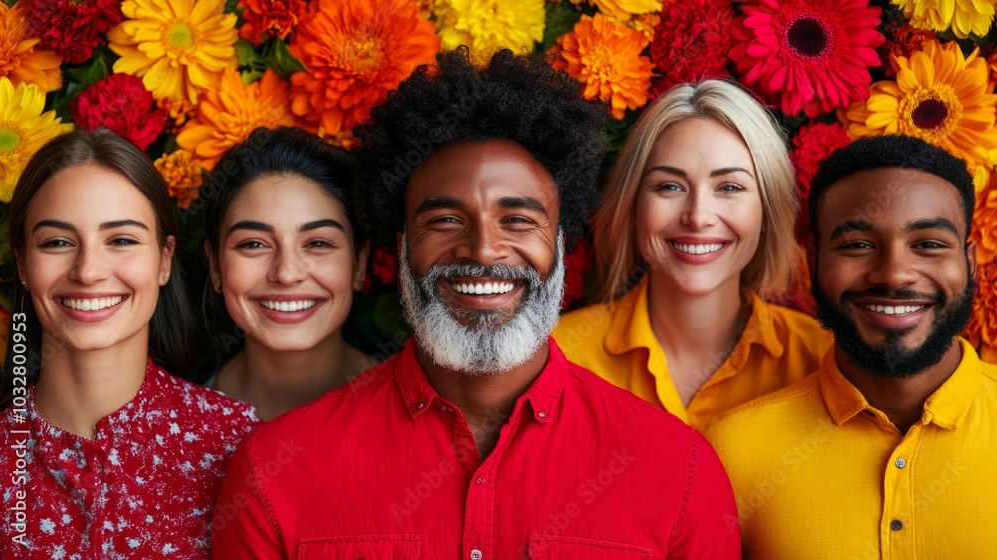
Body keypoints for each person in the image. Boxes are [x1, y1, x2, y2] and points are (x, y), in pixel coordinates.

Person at [212, 48, 740, 558]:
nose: (483, 250)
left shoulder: (679, 469)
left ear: (559, 244)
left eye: (518, 220)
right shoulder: (274, 469)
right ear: (400, 247)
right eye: (445, 220)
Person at [705, 135, 995, 558]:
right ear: (814, 263)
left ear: (968, 263)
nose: (894, 274)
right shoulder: (731, 453)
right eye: (858, 245)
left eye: (928, 244)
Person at [0, 129, 259, 559]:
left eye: (120, 240)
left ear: (164, 259)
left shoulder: (238, 443)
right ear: (24, 262)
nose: (88, 271)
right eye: (58, 242)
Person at [553, 80, 831, 430]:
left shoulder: (824, 359)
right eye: (670, 186)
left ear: (767, 212)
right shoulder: (556, 355)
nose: (698, 217)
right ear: (633, 205)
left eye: (729, 187)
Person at [202, 126, 371, 420]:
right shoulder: (171, 430)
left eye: (318, 243)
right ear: (215, 265)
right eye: (254, 244)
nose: (287, 273)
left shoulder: (420, 417)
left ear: (359, 262)